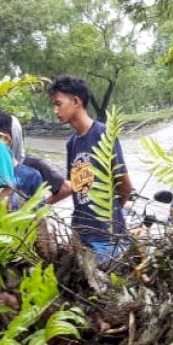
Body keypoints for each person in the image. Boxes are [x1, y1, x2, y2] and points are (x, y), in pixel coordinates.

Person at [46, 75, 132, 262]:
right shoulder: (72, 143)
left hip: (107, 238)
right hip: (81, 234)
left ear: (76, 101)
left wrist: (108, 216)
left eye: (58, 104)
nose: (55, 110)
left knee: (106, 288)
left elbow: (125, 186)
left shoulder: (103, 135)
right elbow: (76, 185)